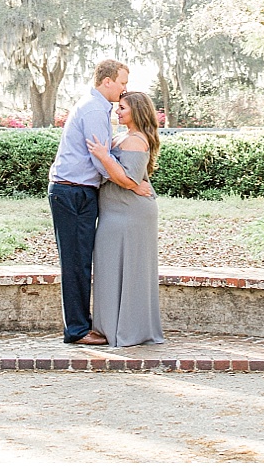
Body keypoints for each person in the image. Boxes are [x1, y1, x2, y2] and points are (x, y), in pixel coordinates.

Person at [46, 59, 151, 345]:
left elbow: (107, 155)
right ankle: (77, 330)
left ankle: (83, 324)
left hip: (80, 191)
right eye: (122, 83)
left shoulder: (97, 108)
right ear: (107, 81)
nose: (124, 89)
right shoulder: (94, 109)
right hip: (72, 192)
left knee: (81, 260)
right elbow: (101, 159)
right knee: (75, 262)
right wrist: (131, 183)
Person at [87, 90, 164, 347]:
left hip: (131, 214)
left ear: (137, 112)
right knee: (109, 267)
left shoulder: (136, 140)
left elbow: (129, 179)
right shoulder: (123, 137)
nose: (117, 112)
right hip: (115, 211)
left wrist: (104, 156)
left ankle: (128, 329)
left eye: (122, 108)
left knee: (132, 269)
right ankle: (108, 327)